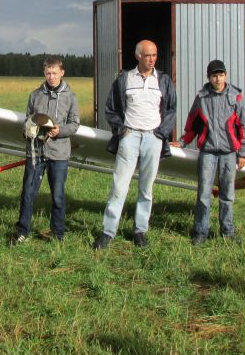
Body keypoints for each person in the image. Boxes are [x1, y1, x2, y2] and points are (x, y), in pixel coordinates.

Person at [94, 40, 176, 250]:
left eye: (155, 55)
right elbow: (111, 108)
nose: (152, 59)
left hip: (153, 138)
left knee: (146, 188)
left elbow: (171, 109)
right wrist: (121, 130)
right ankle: (108, 232)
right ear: (138, 55)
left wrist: (161, 134)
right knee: (119, 187)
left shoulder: (164, 80)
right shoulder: (125, 79)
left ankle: (140, 231)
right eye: (148, 55)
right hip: (129, 136)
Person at [11, 57, 81, 245]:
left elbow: (75, 124)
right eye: (48, 73)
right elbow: (28, 120)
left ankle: (57, 232)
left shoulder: (71, 97)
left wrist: (60, 131)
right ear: (44, 73)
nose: (51, 77)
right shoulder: (35, 95)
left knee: (57, 194)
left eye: (55, 73)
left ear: (62, 73)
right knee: (28, 192)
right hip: (36, 152)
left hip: (59, 153)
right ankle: (22, 231)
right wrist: (27, 130)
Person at [181, 59, 245, 245]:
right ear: (208, 77)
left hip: (229, 153)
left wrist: (243, 153)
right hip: (208, 152)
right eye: (214, 75)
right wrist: (182, 142)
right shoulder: (201, 98)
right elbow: (192, 124)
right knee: (204, 193)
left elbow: (244, 126)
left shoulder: (236, 97)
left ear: (226, 76)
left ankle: (227, 231)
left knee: (227, 194)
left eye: (221, 75)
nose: (218, 79)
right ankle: (201, 232)